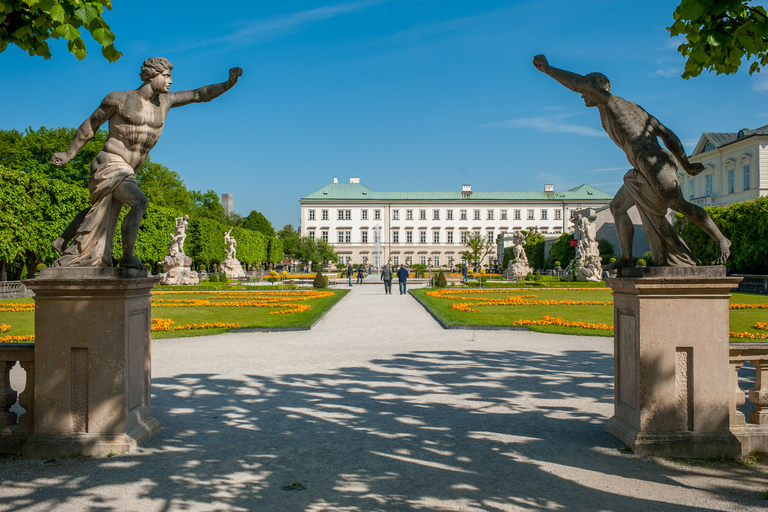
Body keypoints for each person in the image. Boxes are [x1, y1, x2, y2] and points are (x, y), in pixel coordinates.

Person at [533, 54, 730, 268]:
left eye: (586, 91)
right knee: (617, 207)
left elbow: (666, 133)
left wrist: (548, 69)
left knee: (677, 204)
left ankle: (721, 239)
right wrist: (685, 164)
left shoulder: (612, 102)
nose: (582, 95)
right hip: (641, 165)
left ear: (600, 89)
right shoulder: (628, 108)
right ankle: (626, 258)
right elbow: (667, 133)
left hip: (652, 161)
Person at [50, 57, 242, 269]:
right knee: (140, 202)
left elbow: (199, 95)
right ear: (152, 76)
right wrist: (68, 154)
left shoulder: (166, 101)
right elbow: (90, 125)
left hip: (130, 169)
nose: (170, 81)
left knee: (101, 210)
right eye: (166, 76)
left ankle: (61, 240)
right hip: (110, 162)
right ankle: (127, 257)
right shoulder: (119, 99)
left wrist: (228, 83)